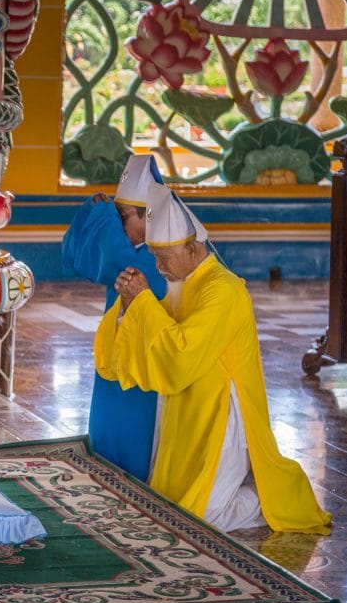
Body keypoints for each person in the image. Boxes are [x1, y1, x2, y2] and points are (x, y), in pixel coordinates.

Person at [94, 183, 331, 533]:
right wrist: (128, 306)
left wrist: (142, 301)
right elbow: (154, 334)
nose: (158, 267)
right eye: (155, 257)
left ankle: (274, 498)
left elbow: (182, 351)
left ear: (192, 249)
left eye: (164, 258)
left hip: (221, 415)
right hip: (182, 411)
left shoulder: (224, 290)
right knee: (171, 504)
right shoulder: (183, 283)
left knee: (201, 518)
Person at [62, 155, 167, 481]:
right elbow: (78, 255)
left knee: (135, 430)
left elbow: (111, 255)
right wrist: (100, 212)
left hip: (144, 361)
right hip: (115, 350)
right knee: (107, 425)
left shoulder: (161, 256)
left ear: (150, 216)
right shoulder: (131, 248)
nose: (119, 227)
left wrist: (103, 215)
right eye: (118, 218)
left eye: (124, 218)